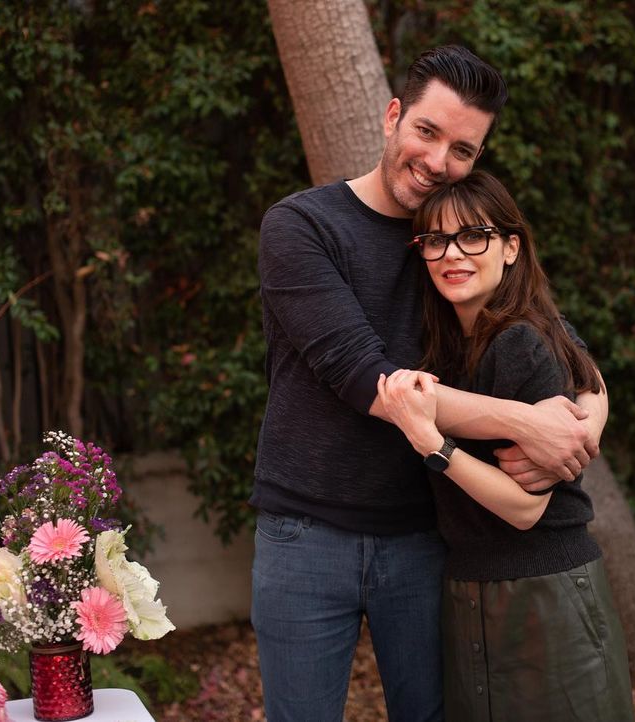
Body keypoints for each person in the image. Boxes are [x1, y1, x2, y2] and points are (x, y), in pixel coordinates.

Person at [252, 45, 609, 721]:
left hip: (425, 536)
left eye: (463, 149)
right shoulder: (302, 226)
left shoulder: (453, 239)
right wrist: (525, 422)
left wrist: (582, 425)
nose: (440, 161)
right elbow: (368, 378)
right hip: (306, 534)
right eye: (427, 131)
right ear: (393, 116)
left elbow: (568, 348)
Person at [375, 170, 634, 721]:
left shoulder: (521, 341)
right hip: (469, 589)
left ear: (511, 247)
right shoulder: (445, 350)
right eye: (436, 240)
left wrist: (431, 441)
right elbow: (592, 379)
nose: (453, 254)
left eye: (474, 236)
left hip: (546, 589)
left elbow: (524, 510)